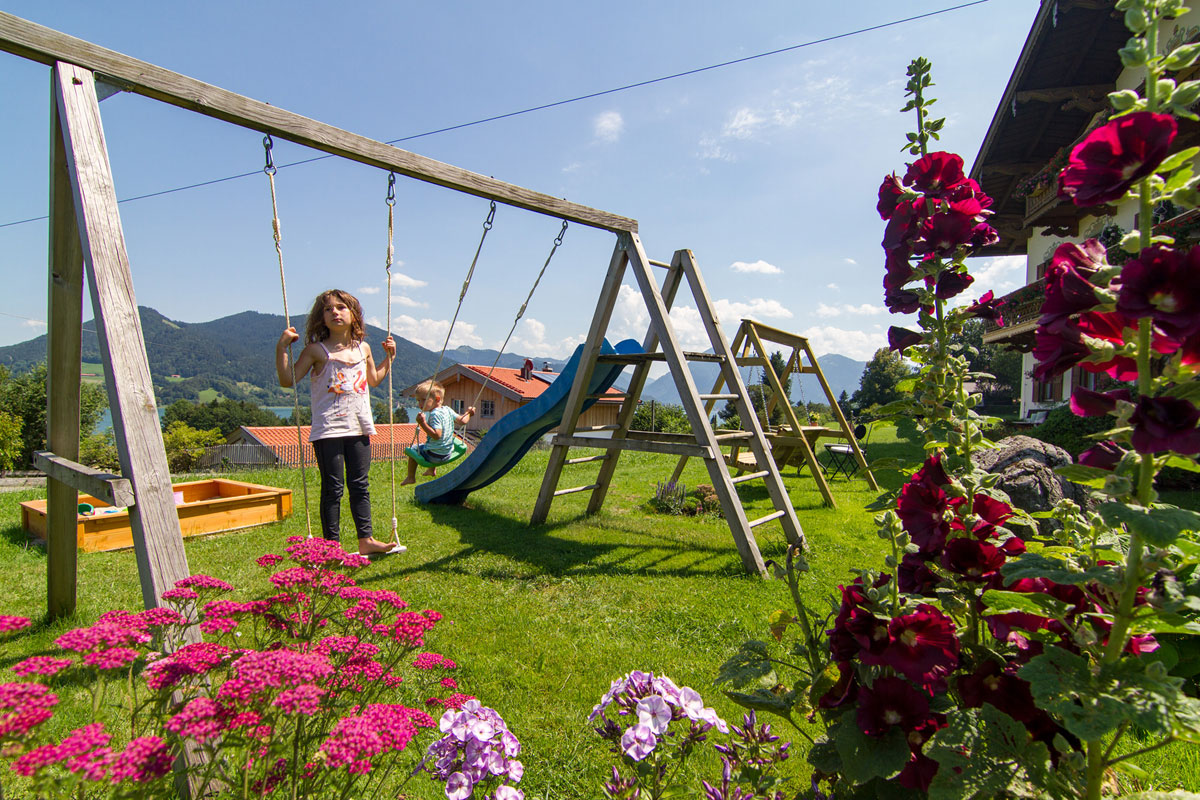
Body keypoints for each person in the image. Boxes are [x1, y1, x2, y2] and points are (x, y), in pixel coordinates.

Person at [275, 289, 403, 555]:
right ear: (321, 318)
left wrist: (388, 359)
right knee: (332, 488)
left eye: (341, 307)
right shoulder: (316, 351)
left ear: (353, 314)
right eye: (328, 309)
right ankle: (331, 547)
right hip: (328, 430)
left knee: (360, 484)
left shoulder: (363, 348)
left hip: (359, 427)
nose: (335, 312)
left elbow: (374, 380)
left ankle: (365, 540)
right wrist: (282, 348)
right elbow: (288, 380)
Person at [401, 380, 474, 485]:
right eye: (418, 400)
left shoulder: (435, 415)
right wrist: (469, 413)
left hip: (434, 456)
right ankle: (431, 470)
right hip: (447, 453)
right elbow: (463, 421)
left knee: (413, 450)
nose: (420, 404)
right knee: (431, 445)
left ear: (437, 399)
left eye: (423, 400)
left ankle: (410, 477)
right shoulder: (447, 409)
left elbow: (436, 435)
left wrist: (423, 423)